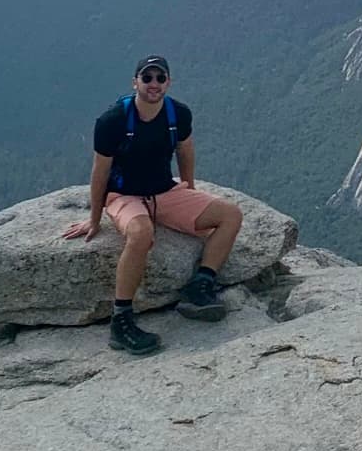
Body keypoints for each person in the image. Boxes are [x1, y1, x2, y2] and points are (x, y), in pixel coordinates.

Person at [62, 55, 243, 356]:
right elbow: (100, 173)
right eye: (147, 78)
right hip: (124, 196)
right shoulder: (112, 121)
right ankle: (121, 321)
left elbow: (185, 151)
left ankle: (200, 284)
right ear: (135, 82)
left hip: (164, 191)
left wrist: (189, 190)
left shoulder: (178, 114)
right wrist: (94, 219)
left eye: (160, 78)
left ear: (168, 82)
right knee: (141, 233)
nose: (154, 84)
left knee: (231, 215)